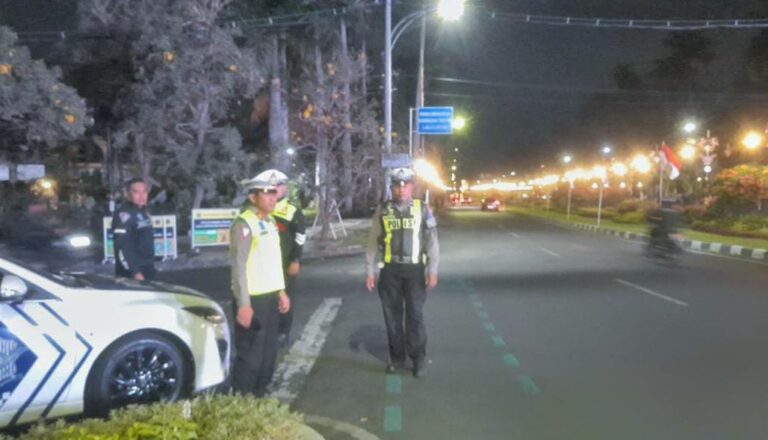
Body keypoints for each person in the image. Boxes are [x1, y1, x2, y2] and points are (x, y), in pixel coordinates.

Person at [365, 167, 440, 377]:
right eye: (396, 185)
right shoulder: (383, 210)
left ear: (411, 186)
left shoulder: (422, 208)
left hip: (415, 271)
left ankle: (418, 358)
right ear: (391, 188)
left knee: (415, 315)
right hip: (390, 272)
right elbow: (372, 241)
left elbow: (432, 242)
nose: (401, 189)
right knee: (392, 317)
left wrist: (432, 270)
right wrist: (369, 270)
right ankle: (397, 358)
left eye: (405, 184)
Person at [230, 170, 291, 397]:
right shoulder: (244, 224)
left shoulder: (271, 222)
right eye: (266, 193)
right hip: (252, 301)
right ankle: (243, 399)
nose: (272, 198)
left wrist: (281, 291)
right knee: (250, 355)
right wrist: (244, 304)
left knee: (268, 353)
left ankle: (260, 392)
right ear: (253, 197)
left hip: (269, 298)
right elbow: (238, 267)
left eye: (274, 193)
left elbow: (273, 262)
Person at [266, 170, 307, 347]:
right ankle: (268, 331)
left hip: (284, 264)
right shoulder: (263, 208)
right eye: (272, 186)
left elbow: (300, 237)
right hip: (265, 264)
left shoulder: (292, 211)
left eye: (279, 185)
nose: (275, 189)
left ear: (285, 188)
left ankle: (283, 332)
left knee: (285, 299)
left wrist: (296, 260)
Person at [112, 178, 156, 281]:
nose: (142, 196)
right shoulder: (123, 215)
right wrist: (135, 272)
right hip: (131, 272)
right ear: (127, 194)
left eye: (144, 191)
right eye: (136, 192)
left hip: (147, 267)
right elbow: (121, 247)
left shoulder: (144, 212)